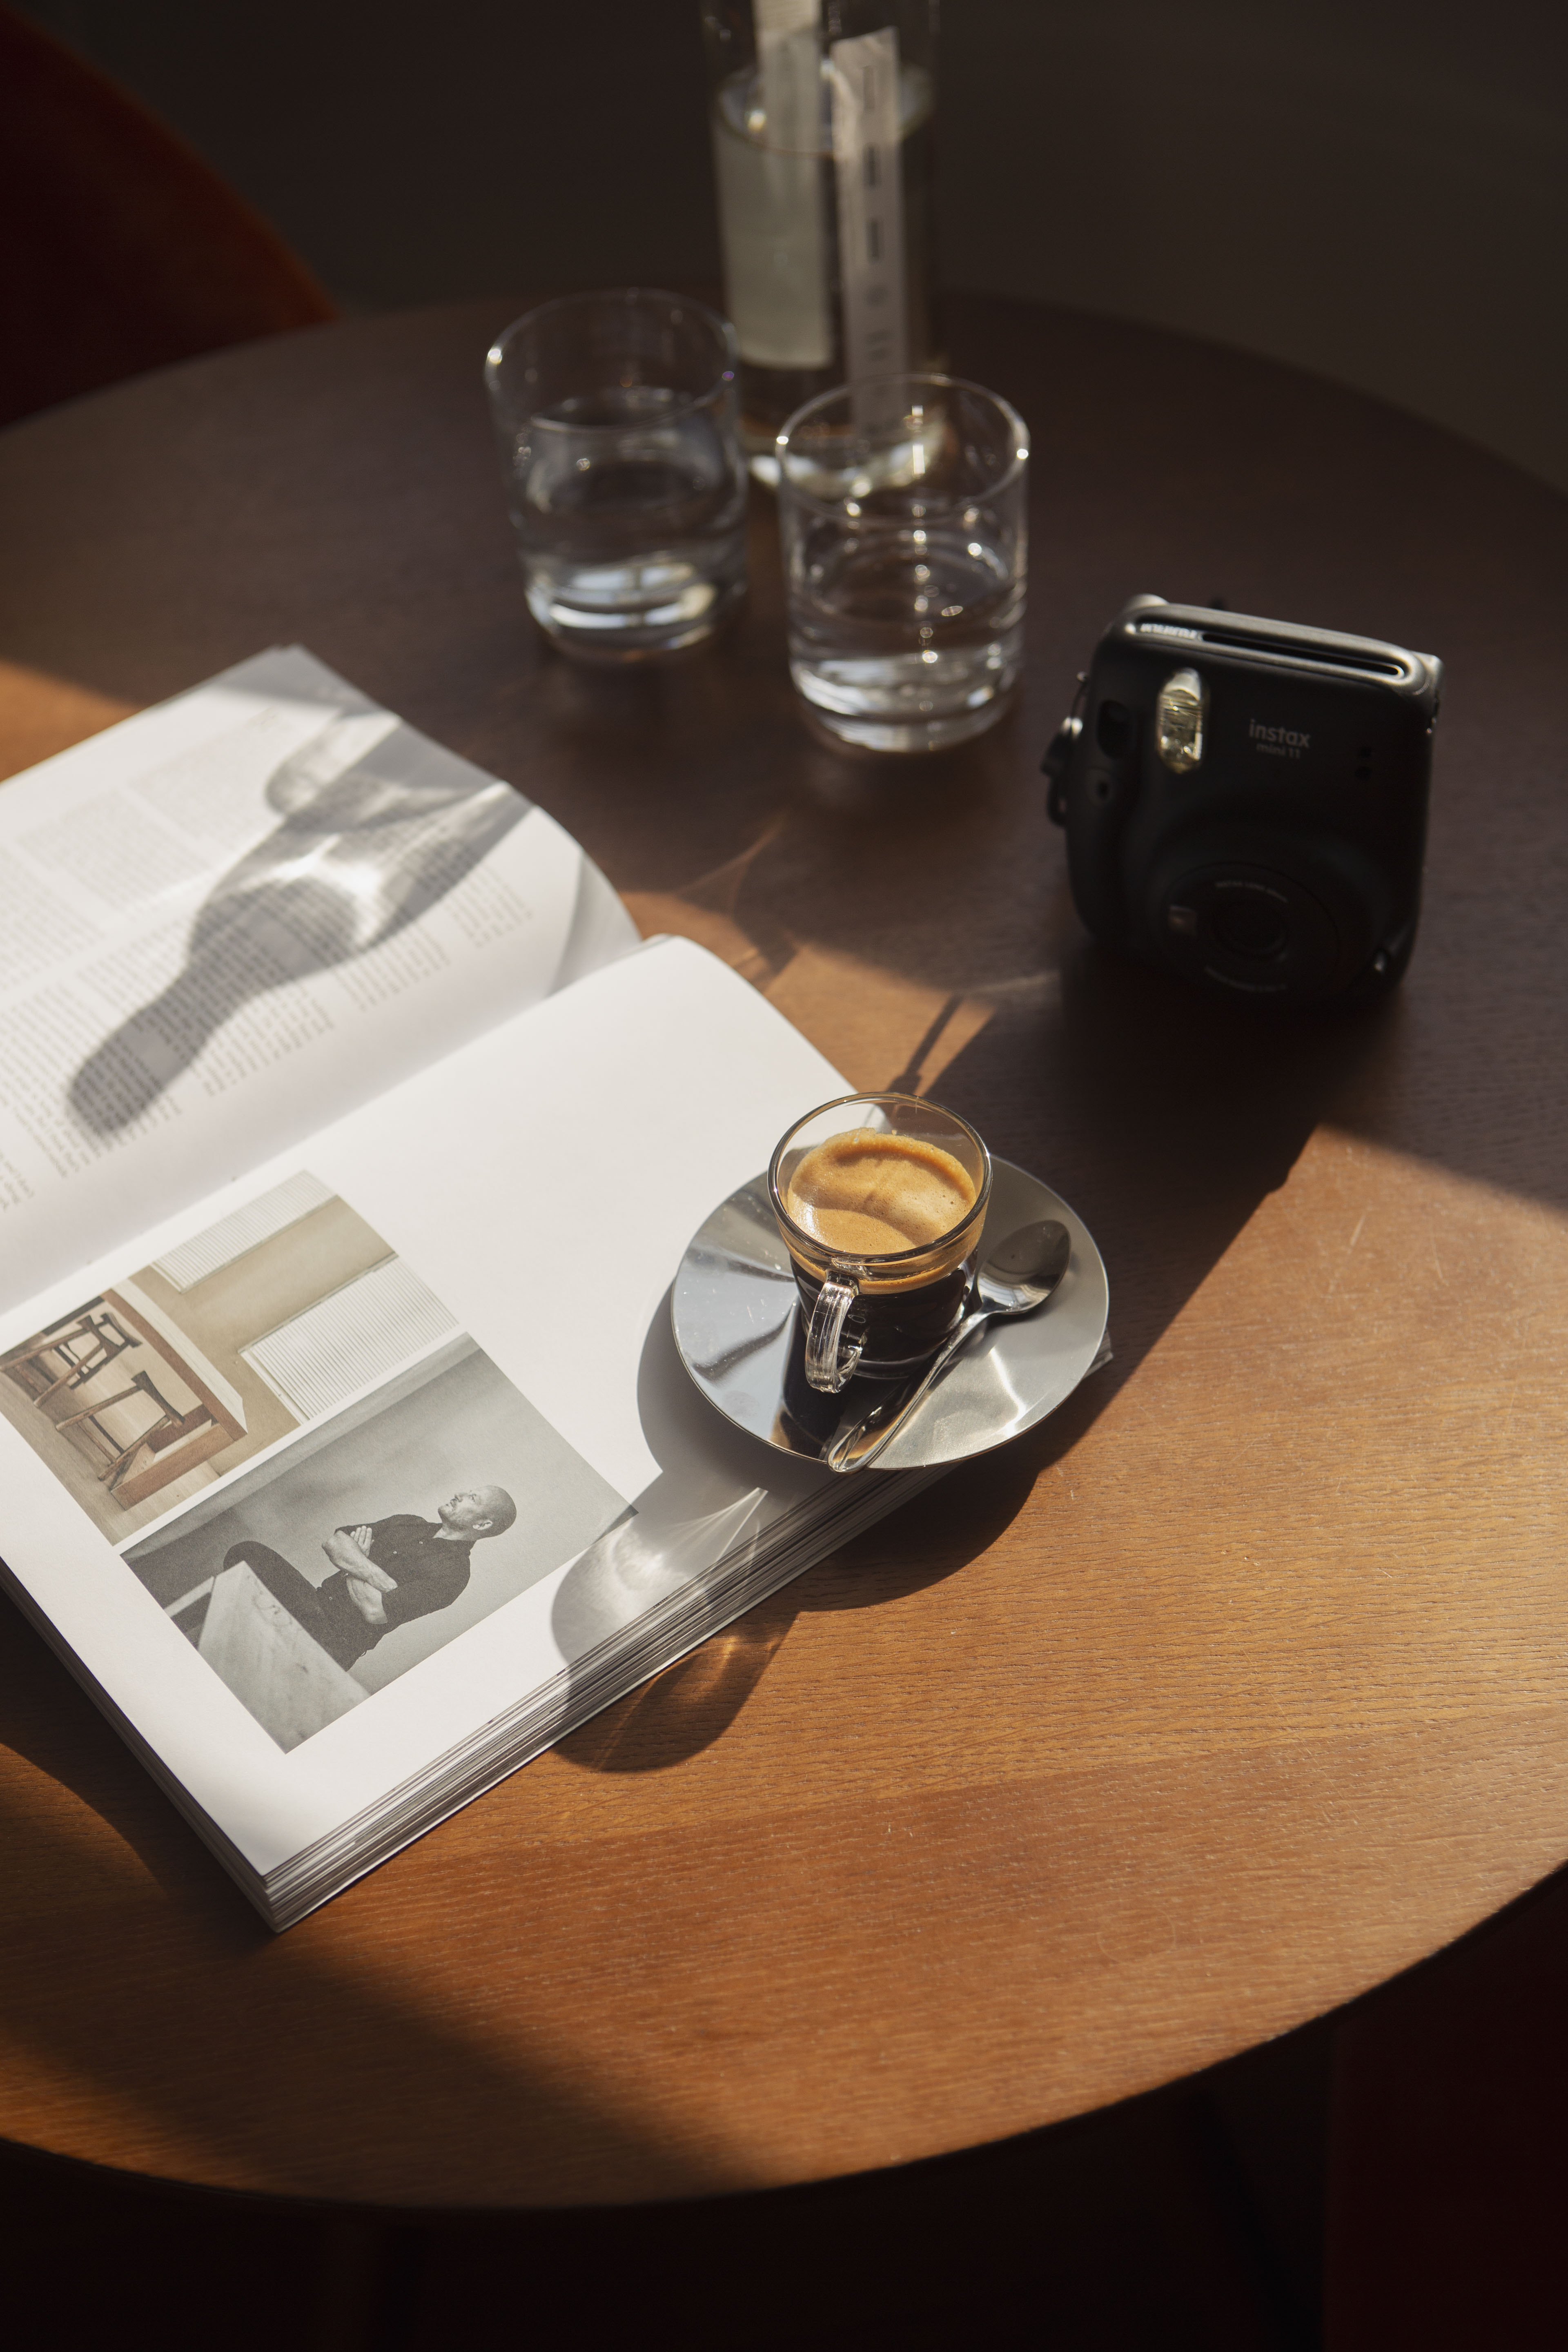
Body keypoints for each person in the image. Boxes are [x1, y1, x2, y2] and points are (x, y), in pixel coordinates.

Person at [223, 1486, 517, 1673]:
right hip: (311, 1602)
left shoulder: (453, 1575)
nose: (459, 1493)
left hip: (332, 1643)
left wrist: (354, 1563)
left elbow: (375, 1612)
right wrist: (371, 1572)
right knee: (246, 1552)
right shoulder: (409, 1523)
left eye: (472, 1498)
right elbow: (335, 1541)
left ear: (482, 1523)